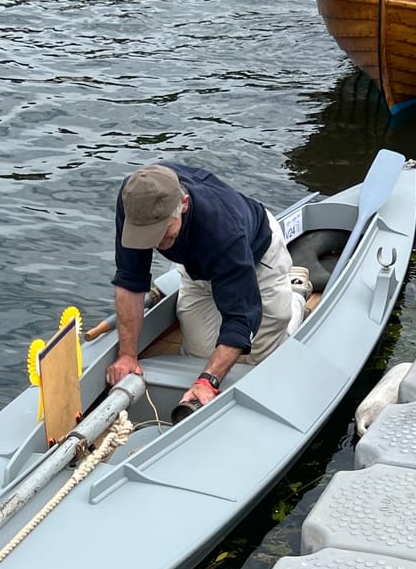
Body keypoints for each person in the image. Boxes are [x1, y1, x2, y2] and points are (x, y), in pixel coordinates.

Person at [105, 161, 302, 415]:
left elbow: (241, 319)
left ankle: (293, 301)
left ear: (183, 204)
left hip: (256, 258)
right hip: (196, 267)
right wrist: (127, 356)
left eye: (163, 233)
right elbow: (131, 280)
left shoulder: (224, 230)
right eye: (147, 236)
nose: (155, 243)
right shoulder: (136, 201)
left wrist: (208, 381)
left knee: (256, 359)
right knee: (196, 354)